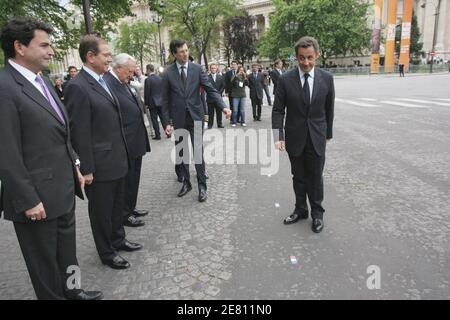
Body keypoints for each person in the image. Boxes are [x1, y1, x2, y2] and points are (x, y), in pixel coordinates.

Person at [0, 17, 102, 300]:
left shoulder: (42, 81)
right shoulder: (4, 87)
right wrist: (28, 199)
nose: (51, 51)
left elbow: (61, 133)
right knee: (44, 265)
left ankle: (73, 291)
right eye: (43, 45)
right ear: (20, 46)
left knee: (67, 253)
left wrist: (76, 168)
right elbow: (6, 152)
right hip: (36, 199)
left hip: (63, 188)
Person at [65, 34, 142, 270]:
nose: (110, 58)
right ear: (90, 56)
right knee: (102, 213)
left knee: (117, 205)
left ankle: (118, 239)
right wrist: (86, 168)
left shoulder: (104, 80)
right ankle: (107, 252)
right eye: (106, 55)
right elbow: (79, 131)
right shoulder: (77, 86)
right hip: (98, 165)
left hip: (117, 159)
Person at [272, 36, 335, 234]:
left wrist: (328, 134)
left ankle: (317, 213)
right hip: (295, 137)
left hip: (317, 137)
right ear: (296, 58)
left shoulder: (327, 78)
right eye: (301, 58)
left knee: (315, 177)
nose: (306, 62)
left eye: (309, 57)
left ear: (316, 55)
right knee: (298, 176)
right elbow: (278, 110)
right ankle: (301, 209)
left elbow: (329, 108)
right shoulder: (285, 79)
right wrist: (278, 136)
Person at [161, 39, 231, 202]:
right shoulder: (168, 73)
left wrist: (223, 107)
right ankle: (186, 183)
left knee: (198, 153)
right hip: (178, 119)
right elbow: (164, 100)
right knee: (182, 153)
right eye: (181, 52)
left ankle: (202, 187)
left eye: (186, 50)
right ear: (173, 54)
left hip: (196, 118)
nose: (185, 54)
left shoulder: (197, 69)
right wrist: (166, 123)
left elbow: (211, 90)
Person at [104, 54, 150, 228]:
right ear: (118, 68)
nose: (132, 75)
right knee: (127, 181)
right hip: (125, 142)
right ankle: (125, 213)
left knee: (134, 178)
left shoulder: (123, 82)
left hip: (135, 139)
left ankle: (131, 207)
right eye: (129, 71)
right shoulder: (109, 83)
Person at [144, 64, 164, 140]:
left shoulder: (147, 80)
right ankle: (168, 132)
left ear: (149, 69)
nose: (146, 71)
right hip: (161, 101)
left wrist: (146, 103)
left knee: (154, 119)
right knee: (163, 118)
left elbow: (147, 93)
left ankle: (158, 135)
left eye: (146, 69)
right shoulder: (160, 78)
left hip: (152, 102)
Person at [207, 63, 225, 129]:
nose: (213, 69)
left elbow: (223, 86)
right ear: (210, 69)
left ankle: (219, 124)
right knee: (210, 113)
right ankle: (210, 125)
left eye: (214, 68)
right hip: (210, 98)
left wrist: (219, 93)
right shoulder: (207, 77)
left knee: (219, 112)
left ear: (216, 69)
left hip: (218, 97)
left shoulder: (220, 77)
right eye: (212, 68)